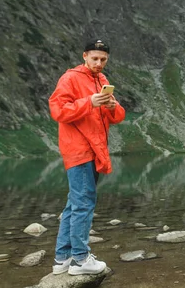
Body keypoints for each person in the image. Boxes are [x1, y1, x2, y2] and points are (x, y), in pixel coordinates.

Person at [48, 38, 126, 275]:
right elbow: (58, 110)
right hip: (79, 149)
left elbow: (118, 116)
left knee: (75, 203)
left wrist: (112, 106)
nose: (99, 63)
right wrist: (89, 101)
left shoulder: (102, 80)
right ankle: (80, 260)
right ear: (84, 56)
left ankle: (62, 258)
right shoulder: (70, 78)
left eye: (103, 59)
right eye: (95, 58)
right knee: (84, 204)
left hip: (95, 150)